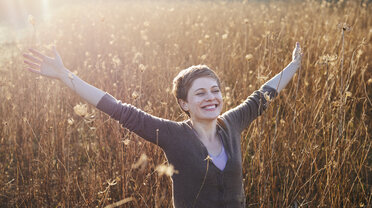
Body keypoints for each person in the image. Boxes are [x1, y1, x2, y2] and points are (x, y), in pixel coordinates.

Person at [23, 43, 302, 207]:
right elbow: (117, 108)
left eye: (215, 90)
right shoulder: (172, 135)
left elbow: (262, 95)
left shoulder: (232, 123)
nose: (211, 98)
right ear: (184, 104)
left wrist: (293, 65)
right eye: (200, 93)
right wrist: (64, 75)